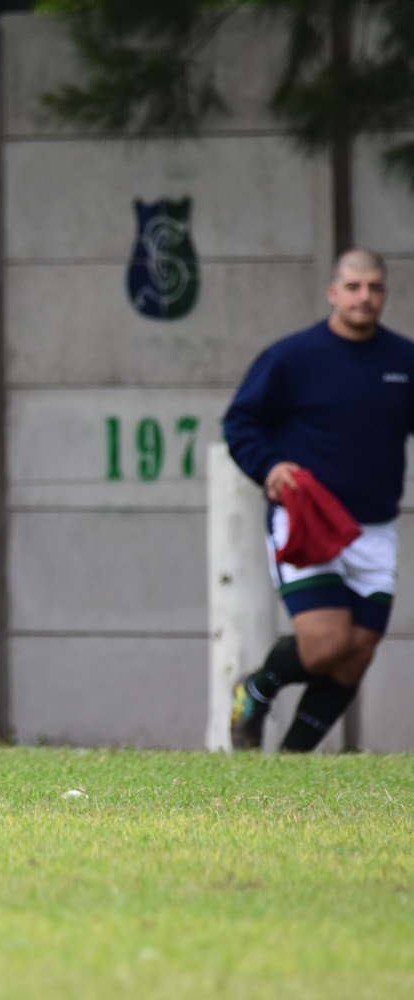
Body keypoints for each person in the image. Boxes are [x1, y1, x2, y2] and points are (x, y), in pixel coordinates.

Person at [224, 248, 414, 752]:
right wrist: (269, 466)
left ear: (384, 294)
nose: (364, 297)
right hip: (306, 519)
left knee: (358, 651)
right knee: (327, 645)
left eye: (374, 287)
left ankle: (291, 762)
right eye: (353, 287)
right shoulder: (292, 357)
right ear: (333, 292)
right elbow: (240, 422)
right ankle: (254, 691)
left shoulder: (404, 360)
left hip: (373, 527)